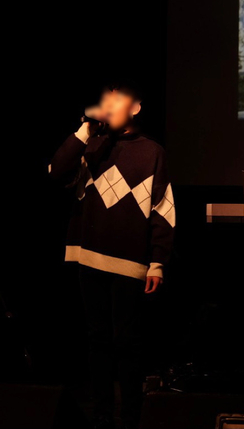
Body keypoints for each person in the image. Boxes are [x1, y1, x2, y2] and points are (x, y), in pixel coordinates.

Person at [49, 82, 175, 429]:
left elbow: (163, 210)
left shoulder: (152, 152)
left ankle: (131, 413)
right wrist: (85, 128)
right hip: (88, 256)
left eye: (116, 100)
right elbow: (55, 171)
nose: (107, 105)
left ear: (135, 108)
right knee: (97, 338)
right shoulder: (92, 145)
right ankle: (103, 412)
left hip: (130, 260)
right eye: (105, 100)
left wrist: (158, 261)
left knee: (127, 342)